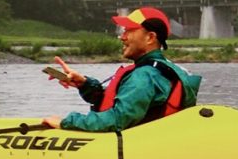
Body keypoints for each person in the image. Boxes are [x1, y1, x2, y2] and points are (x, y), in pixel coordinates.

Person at [42, 7, 201, 132]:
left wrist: (65, 122)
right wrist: (84, 84)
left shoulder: (145, 75)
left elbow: (117, 120)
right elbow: (115, 101)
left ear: (150, 37)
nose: (122, 36)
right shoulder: (159, 69)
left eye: (129, 30)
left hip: (137, 149)